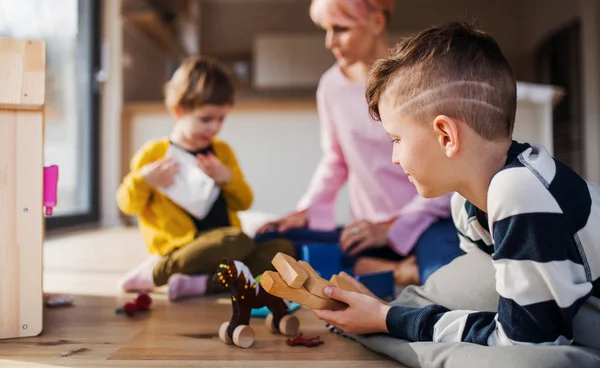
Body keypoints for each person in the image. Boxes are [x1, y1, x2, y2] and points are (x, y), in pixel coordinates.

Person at [312, 21, 600, 347]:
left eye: (397, 139)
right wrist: (386, 310)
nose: (394, 157)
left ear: (446, 136)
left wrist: (387, 320)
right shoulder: (465, 203)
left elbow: (524, 344)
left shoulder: (520, 191)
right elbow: (480, 297)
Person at [257, 0, 462, 285]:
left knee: (446, 281)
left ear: (377, 23)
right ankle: (397, 271)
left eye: (341, 28)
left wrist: (391, 228)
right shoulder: (330, 87)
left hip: (427, 220)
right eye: (326, 29)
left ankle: (394, 270)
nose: (330, 42)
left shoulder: (420, 79)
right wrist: (305, 210)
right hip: (366, 227)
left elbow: (449, 169)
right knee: (270, 243)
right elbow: (336, 159)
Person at [116, 57, 295, 301]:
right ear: (179, 111)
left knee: (283, 252)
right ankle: (157, 272)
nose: (214, 128)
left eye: (221, 119)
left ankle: (200, 285)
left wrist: (227, 178)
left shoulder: (222, 152)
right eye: (206, 119)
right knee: (235, 241)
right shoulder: (153, 154)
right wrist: (144, 180)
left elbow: (244, 202)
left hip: (225, 244)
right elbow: (127, 205)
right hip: (184, 249)